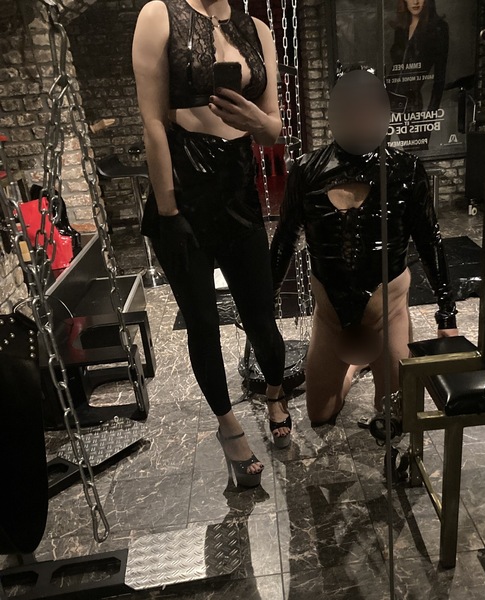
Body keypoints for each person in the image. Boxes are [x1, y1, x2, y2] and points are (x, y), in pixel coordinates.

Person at [132, 0, 291, 488]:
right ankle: (229, 427)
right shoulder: (159, 14)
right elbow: (153, 122)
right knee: (202, 323)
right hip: (183, 193)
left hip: (239, 187)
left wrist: (258, 122)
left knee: (262, 315)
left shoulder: (257, 29)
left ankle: (275, 393)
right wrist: (168, 212)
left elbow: (274, 128)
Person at [271, 69, 458, 425]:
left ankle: (370, 360)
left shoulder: (406, 170)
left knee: (395, 416)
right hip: (331, 319)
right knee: (320, 414)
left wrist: (447, 314)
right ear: (334, 114)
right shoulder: (307, 171)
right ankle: (356, 366)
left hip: (387, 316)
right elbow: (284, 239)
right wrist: (266, 307)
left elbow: (429, 240)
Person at [389, 0, 449, 113]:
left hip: (412, 104)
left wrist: (432, 113)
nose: (415, 2)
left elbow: (440, 76)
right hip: (389, 97)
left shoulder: (438, 28)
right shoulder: (401, 27)